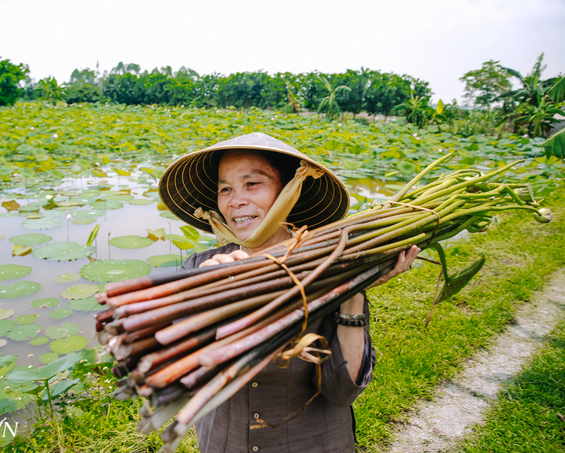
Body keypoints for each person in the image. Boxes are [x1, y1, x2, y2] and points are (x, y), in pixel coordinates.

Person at [158, 132, 418, 453]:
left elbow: (341, 392)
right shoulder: (200, 268)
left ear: (289, 192)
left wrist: (354, 289)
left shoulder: (328, 266)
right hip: (225, 443)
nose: (236, 199)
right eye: (225, 188)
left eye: (252, 184)